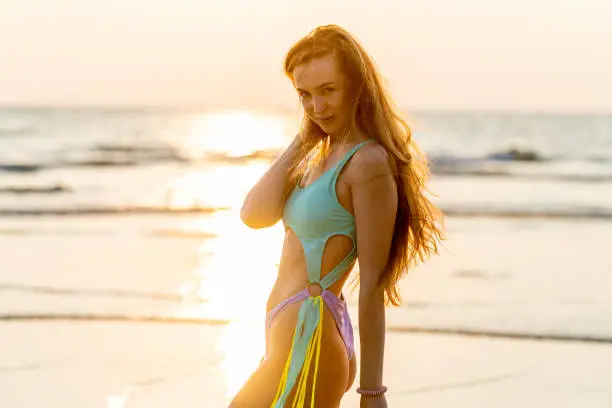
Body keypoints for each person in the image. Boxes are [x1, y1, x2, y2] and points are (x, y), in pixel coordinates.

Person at [231, 24, 444, 408]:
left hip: (312, 338)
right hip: (287, 337)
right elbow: (254, 214)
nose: (317, 106)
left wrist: (372, 391)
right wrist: (305, 136)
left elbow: (374, 286)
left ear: (356, 87)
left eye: (328, 90)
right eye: (305, 95)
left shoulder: (368, 163)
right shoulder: (318, 156)